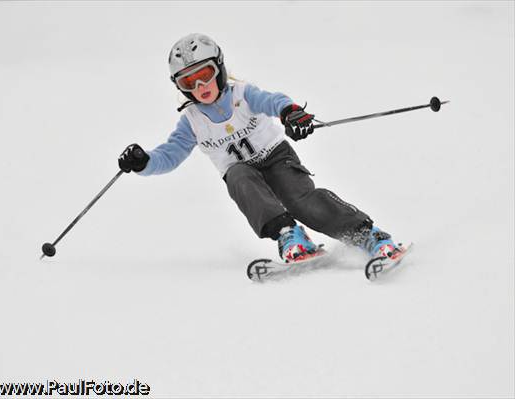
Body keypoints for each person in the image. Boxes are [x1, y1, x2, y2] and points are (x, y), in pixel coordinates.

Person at [118, 33, 400, 263]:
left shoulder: (242, 94)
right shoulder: (191, 122)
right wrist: (144, 163)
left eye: (205, 74)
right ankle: (288, 234)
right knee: (238, 175)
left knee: (301, 201)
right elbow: (169, 155)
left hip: (277, 158)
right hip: (242, 173)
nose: (201, 86)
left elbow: (272, 101)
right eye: (189, 82)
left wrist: (291, 113)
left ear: (219, 69)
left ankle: (366, 234)